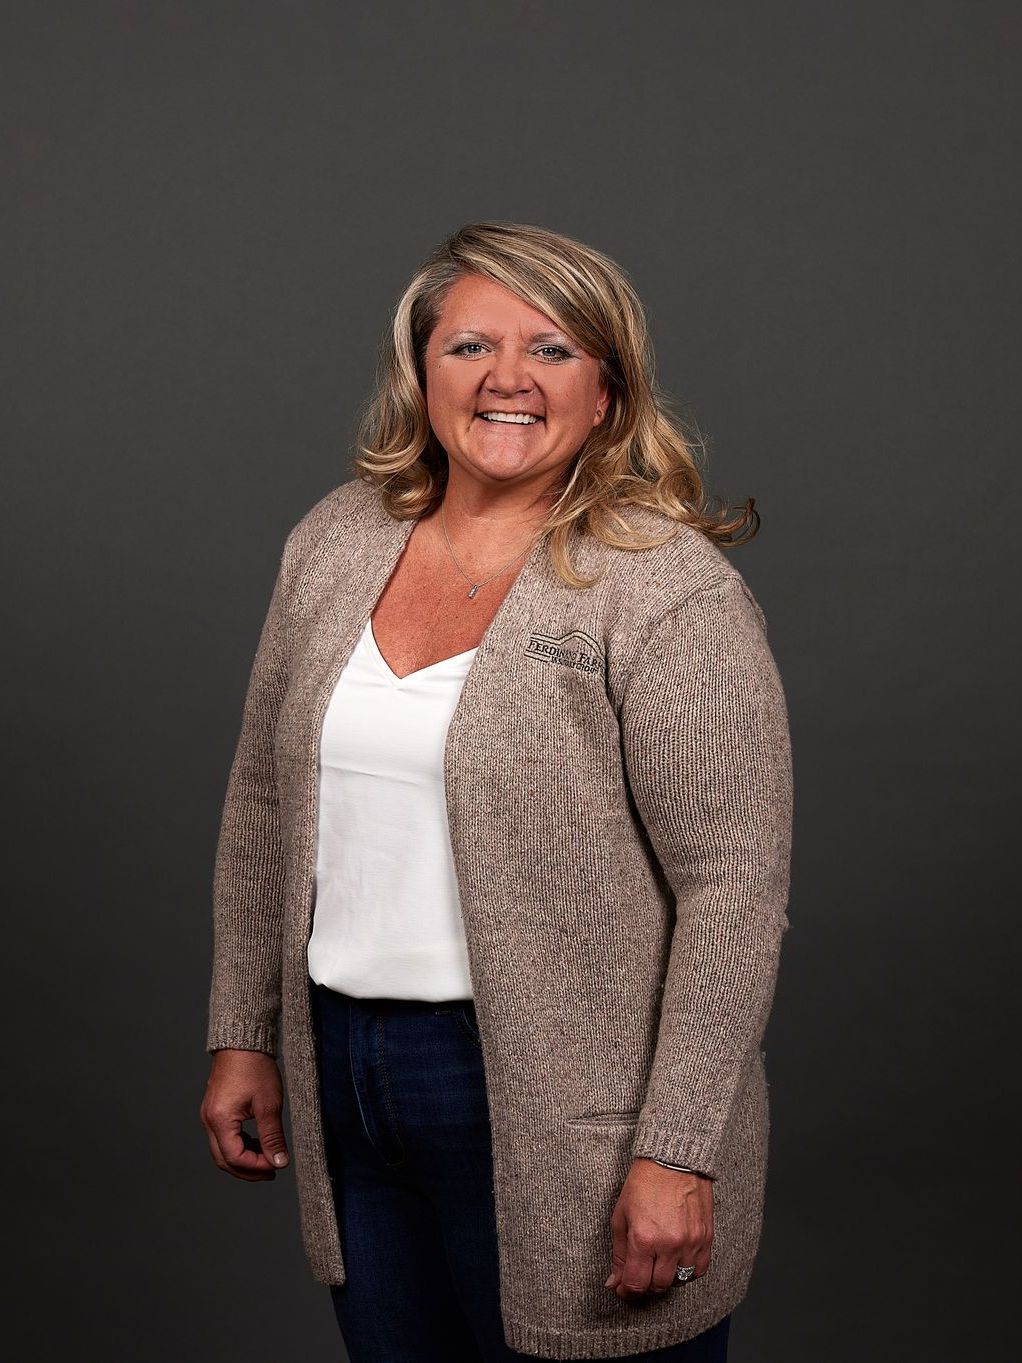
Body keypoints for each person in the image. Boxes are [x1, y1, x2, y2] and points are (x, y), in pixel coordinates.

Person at [200, 220, 793, 1363]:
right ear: (420, 373)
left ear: (608, 391)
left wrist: (676, 1148)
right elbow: (262, 806)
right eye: (470, 345)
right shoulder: (333, 541)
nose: (507, 380)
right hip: (348, 1071)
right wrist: (244, 1031)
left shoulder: (664, 592)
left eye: (552, 349)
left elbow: (732, 890)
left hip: (567, 1100)